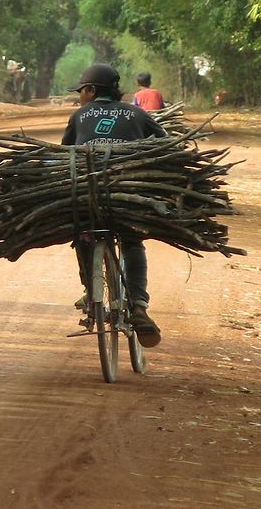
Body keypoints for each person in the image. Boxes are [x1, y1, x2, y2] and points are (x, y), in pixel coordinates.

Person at [61, 63, 166, 347]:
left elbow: (65, 157)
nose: (80, 96)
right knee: (132, 242)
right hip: (128, 195)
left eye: (82, 90)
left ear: (92, 90)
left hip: (88, 196)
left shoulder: (79, 115)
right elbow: (167, 147)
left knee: (82, 235)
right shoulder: (136, 113)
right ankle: (139, 308)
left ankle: (90, 286)